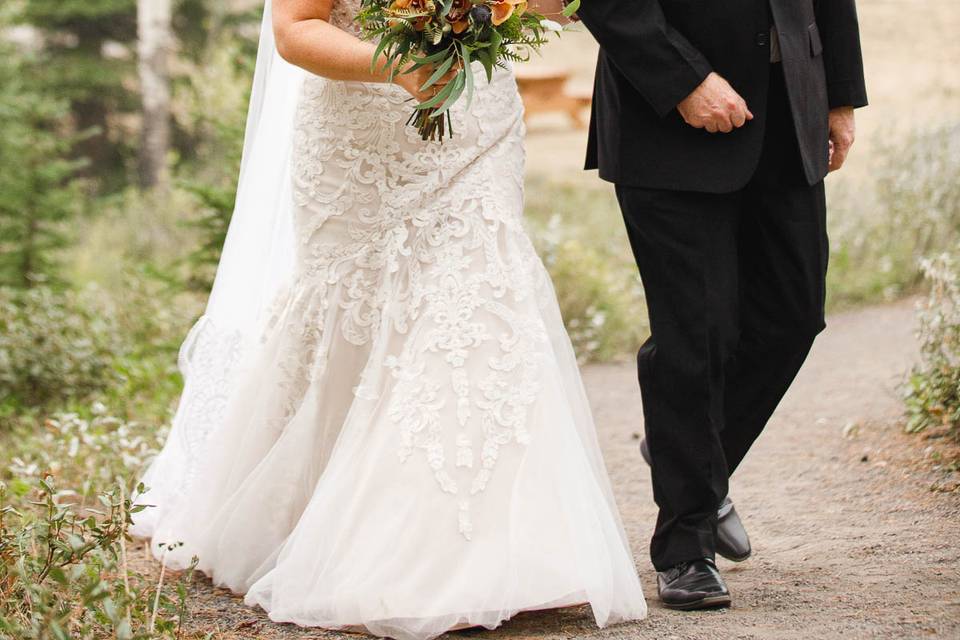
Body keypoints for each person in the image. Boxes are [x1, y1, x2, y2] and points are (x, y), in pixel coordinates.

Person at [130, 0, 647, 638]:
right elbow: (295, 31)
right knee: (357, 315)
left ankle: (501, 550)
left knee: (480, 295)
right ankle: (346, 536)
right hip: (361, 139)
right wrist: (398, 62)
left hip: (477, 122)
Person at [576, 0, 867, 611]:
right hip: (668, 117)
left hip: (791, 112)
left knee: (793, 316)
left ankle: (688, 457)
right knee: (696, 334)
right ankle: (684, 547)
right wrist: (683, 80)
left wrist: (838, 93)